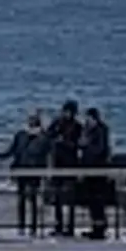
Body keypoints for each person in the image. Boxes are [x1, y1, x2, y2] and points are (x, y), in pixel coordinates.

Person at [43, 99, 83, 234]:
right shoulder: (57, 123)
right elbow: (48, 136)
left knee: (70, 197)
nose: (66, 114)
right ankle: (58, 224)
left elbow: (77, 144)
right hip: (57, 162)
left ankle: (70, 226)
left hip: (70, 163)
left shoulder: (77, 126)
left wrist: (65, 142)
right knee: (57, 196)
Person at [3, 107, 48, 228]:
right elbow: (12, 151)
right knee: (21, 199)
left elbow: (46, 155)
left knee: (32, 199)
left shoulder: (42, 137)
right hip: (21, 169)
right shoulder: (21, 135)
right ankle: (21, 225)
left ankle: (33, 226)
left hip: (34, 170)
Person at [78, 105, 115, 239]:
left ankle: (100, 227)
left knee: (98, 199)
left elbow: (99, 149)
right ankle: (95, 226)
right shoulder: (87, 130)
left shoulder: (101, 130)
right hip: (89, 169)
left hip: (98, 170)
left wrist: (86, 145)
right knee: (92, 200)